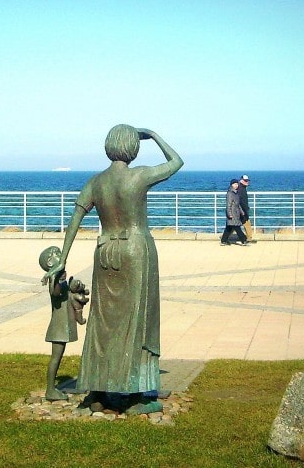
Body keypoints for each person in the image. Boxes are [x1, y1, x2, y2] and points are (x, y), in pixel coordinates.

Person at [42, 124, 183, 414]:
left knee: (102, 323)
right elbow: (176, 162)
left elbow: (75, 220)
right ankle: (135, 395)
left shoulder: (96, 182)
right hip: (136, 251)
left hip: (105, 250)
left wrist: (62, 259)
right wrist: (154, 135)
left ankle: (98, 389)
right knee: (137, 320)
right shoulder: (139, 176)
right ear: (133, 147)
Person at [39, 245, 89, 401]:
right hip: (58, 327)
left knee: (58, 357)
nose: (61, 256)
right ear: (49, 262)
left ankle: (51, 388)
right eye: (57, 254)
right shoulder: (55, 281)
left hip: (64, 325)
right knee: (56, 357)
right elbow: (56, 292)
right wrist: (53, 277)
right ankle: (50, 389)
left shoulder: (63, 281)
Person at [220, 179, 248, 246]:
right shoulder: (230, 193)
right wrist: (229, 214)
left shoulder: (236, 193)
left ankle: (224, 240)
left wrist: (242, 212)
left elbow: (238, 204)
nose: (236, 185)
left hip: (236, 212)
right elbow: (228, 205)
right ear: (231, 185)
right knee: (237, 227)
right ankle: (243, 239)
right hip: (232, 213)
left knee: (229, 228)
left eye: (237, 184)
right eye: (235, 184)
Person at [237, 174, 254, 242]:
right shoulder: (241, 189)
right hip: (242, 210)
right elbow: (240, 201)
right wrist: (244, 210)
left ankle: (249, 237)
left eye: (247, 180)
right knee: (244, 223)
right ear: (241, 181)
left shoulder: (242, 188)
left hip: (242, 209)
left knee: (235, 225)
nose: (247, 182)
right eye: (245, 180)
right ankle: (249, 238)